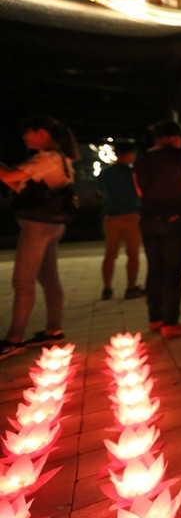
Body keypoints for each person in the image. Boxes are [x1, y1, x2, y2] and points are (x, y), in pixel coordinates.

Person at [0, 116, 79, 359]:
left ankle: (14, 338)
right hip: (52, 225)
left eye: (28, 132)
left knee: (23, 282)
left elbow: (9, 177)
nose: (25, 138)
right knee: (48, 278)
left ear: (42, 132)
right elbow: (23, 185)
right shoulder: (62, 158)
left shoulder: (47, 157)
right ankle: (53, 330)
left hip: (37, 228)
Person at [134, 120, 181, 339]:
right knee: (173, 272)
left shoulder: (142, 158)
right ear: (176, 137)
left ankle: (155, 319)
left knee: (154, 269)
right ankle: (171, 323)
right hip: (176, 220)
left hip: (149, 220)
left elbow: (139, 191)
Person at [98, 140, 145, 301]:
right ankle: (130, 287)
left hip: (111, 217)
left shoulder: (105, 173)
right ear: (130, 154)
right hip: (131, 216)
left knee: (110, 255)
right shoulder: (133, 173)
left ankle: (107, 288)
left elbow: (102, 193)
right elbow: (140, 193)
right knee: (133, 254)